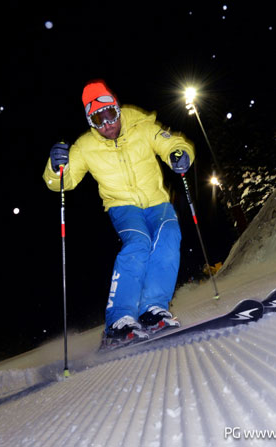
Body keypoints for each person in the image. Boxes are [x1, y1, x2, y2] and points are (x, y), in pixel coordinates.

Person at [43, 79, 195, 347]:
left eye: (110, 114)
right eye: (98, 120)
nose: (107, 125)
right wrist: (56, 168)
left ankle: (152, 310)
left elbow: (170, 143)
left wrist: (180, 153)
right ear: (91, 123)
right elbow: (63, 182)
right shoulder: (85, 147)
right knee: (138, 244)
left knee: (169, 238)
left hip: (157, 202)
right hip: (123, 207)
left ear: (117, 108)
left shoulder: (143, 126)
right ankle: (119, 320)